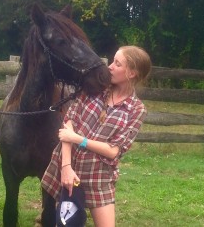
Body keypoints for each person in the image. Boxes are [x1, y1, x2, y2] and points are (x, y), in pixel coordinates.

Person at [42, 45, 152, 227]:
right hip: (69, 169)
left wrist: (79, 139)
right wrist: (66, 167)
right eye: (113, 61)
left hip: (99, 178)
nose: (110, 66)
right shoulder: (95, 89)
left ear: (131, 73)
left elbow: (113, 151)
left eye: (117, 63)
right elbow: (69, 122)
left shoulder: (137, 110)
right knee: (65, 224)